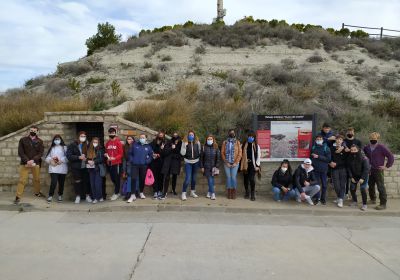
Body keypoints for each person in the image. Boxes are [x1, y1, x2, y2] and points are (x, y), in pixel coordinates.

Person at [363, 132, 394, 210]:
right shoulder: (366, 147)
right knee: (371, 186)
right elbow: (365, 156)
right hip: (370, 170)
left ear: (378, 139)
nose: (373, 140)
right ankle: (373, 199)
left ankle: (383, 204)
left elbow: (391, 156)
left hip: (378, 170)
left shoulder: (382, 147)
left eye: (374, 139)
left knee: (380, 187)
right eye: (371, 139)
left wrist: (386, 166)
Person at [14, 126, 45, 204]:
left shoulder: (40, 141)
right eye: (31, 130)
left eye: (34, 131)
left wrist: (33, 160)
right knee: (22, 180)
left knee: (37, 179)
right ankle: (18, 197)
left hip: (36, 163)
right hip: (25, 163)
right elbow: (20, 152)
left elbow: (40, 153)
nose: (32, 132)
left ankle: (37, 192)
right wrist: (27, 161)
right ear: (29, 131)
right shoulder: (23, 140)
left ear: (37, 132)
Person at [67, 131, 91, 204]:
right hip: (76, 167)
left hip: (86, 166)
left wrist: (87, 158)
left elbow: (92, 154)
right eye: (81, 136)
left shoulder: (87, 144)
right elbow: (69, 156)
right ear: (78, 136)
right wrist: (78, 157)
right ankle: (78, 196)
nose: (83, 138)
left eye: (84, 136)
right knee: (77, 181)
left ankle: (87, 196)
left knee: (86, 181)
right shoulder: (72, 145)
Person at [129, 133, 153, 200]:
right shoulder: (135, 145)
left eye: (143, 137)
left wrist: (147, 161)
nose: (141, 139)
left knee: (142, 179)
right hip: (134, 165)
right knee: (133, 178)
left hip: (143, 165)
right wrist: (132, 160)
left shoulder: (148, 147)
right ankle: (132, 194)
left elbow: (151, 156)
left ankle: (141, 192)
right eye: (140, 137)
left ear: (146, 138)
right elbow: (130, 153)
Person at [45, 135, 68, 203]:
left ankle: (60, 195)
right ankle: (50, 195)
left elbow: (67, 156)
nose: (57, 141)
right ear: (53, 140)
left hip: (62, 168)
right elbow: (47, 157)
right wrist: (51, 161)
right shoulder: (52, 148)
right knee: (53, 182)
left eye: (58, 139)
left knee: (61, 183)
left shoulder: (65, 147)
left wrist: (61, 160)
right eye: (55, 139)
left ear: (61, 140)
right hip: (53, 168)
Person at [160, 132, 182, 199]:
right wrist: (171, 148)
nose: (175, 136)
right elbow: (165, 152)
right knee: (166, 177)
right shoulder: (169, 142)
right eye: (174, 135)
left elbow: (180, 154)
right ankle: (164, 192)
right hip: (168, 162)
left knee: (174, 176)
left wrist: (174, 151)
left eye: (176, 135)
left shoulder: (180, 143)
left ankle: (173, 189)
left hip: (175, 162)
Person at [347, 145, 370, 211]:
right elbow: (348, 168)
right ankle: (355, 201)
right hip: (354, 177)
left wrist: (362, 178)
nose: (353, 151)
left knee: (363, 189)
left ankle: (364, 204)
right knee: (352, 188)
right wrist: (351, 177)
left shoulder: (364, 158)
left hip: (363, 176)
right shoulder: (349, 158)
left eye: (355, 150)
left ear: (358, 150)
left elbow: (366, 169)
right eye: (352, 150)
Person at [180, 130, 202, 201]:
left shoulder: (197, 142)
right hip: (188, 162)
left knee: (194, 178)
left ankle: (192, 191)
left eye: (192, 135)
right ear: (188, 135)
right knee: (188, 178)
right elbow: (182, 153)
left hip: (196, 162)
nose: (191, 136)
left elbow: (199, 151)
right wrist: (185, 146)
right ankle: (183, 193)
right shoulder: (184, 142)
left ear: (194, 135)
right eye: (190, 135)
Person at [221, 129, 242, 199]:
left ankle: (234, 192)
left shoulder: (238, 142)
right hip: (227, 163)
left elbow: (240, 153)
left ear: (235, 134)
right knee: (228, 177)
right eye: (230, 133)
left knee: (233, 177)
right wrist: (226, 162)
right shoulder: (225, 142)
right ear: (228, 133)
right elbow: (222, 153)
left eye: (233, 133)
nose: (232, 134)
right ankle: (229, 192)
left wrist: (236, 162)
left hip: (235, 163)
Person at [311, 134, 331, 205]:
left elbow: (328, 159)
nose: (318, 140)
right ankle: (317, 198)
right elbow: (311, 158)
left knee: (324, 185)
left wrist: (318, 156)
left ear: (322, 140)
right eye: (317, 139)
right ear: (315, 140)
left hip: (324, 170)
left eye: (320, 139)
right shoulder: (313, 147)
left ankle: (323, 199)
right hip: (315, 170)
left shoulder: (326, 148)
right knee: (317, 185)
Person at [240, 131, 260, 201]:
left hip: (253, 165)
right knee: (245, 179)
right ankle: (247, 192)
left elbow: (258, 156)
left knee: (251, 179)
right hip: (245, 165)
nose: (250, 138)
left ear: (254, 137)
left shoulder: (256, 146)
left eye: (252, 137)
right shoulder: (243, 145)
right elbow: (240, 155)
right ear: (247, 137)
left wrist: (257, 165)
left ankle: (252, 193)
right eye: (249, 136)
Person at [105, 127, 124, 201]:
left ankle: (116, 193)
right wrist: (105, 155)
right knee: (112, 178)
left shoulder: (118, 142)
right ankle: (117, 192)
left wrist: (115, 158)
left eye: (113, 133)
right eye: (110, 133)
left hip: (117, 163)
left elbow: (121, 154)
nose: (111, 134)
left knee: (117, 178)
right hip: (109, 163)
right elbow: (107, 151)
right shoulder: (107, 143)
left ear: (115, 133)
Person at [344, 127, 362, 200]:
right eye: (349, 132)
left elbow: (359, 151)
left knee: (353, 179)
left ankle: (353, 196)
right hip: (345, 163)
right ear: (347, 133)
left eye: (351, 132)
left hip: (354, 163)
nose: (350, 133)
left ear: (354, 133)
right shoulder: (344, 141)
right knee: (346, 180)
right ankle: (346, 194)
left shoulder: (358, 141)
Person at [329, 135, 348, 208]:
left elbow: (346, 161)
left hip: (343, 169)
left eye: (340, 139)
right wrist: (330, 162)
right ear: (335, 140)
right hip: (334, 169)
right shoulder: (331, 148)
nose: (339, 140)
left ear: (342, 141)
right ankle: (340, 197)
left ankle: (340, 199)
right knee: (336, 185)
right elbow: (329, 157)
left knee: (342, 185)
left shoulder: (345, 150)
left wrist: (337, 164)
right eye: (337, 139)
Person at [200, 135, 221, 200]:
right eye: (208, 139)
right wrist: (202, 167)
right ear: (206, 140)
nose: (209, 140)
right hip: (206, 166)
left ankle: (209, 192)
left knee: (211, 180)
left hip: (213, 167)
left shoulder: (216, 147)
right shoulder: (204, 147)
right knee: (210, 179)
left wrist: (216, 166)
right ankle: (213, 193)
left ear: (213, 139)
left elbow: (218, 157)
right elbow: (201, 158)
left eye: (211, 139)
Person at [86, 137, 105, 204]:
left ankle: (98, 197)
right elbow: (86, 158)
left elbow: (102, 159)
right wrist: (88, 161)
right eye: (94, 142)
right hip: (91, 169)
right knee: (92, 184)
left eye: (96, 142)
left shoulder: (101, 149)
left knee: (98, 184)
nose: (95, 143)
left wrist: (94, 161)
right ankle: (96, 197)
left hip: (98, 168)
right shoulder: (89, 149)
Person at [150, 131, 166, 199]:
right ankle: (155, 191)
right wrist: (153, 154)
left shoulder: (165, 143)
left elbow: (166, 153)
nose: (160, 136)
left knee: (161, 178)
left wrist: (161, 149)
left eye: (162, 135)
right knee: (154, 177)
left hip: (161, 163)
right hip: (154, 162)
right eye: (160, 135)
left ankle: (160, 191)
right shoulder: (153, 142)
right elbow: (149, 150)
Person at [122, 136, 135, 201]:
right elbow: (124, 159)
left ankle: (135, 193)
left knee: (136, 179)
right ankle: (129, 193)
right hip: (128, 165)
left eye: (131, 139)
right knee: (129, 179)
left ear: (133, 140)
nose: (129, 140)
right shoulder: (125, 147)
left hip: (136, 165)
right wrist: (124, 171)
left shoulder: (136, 146)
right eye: (128, 139)